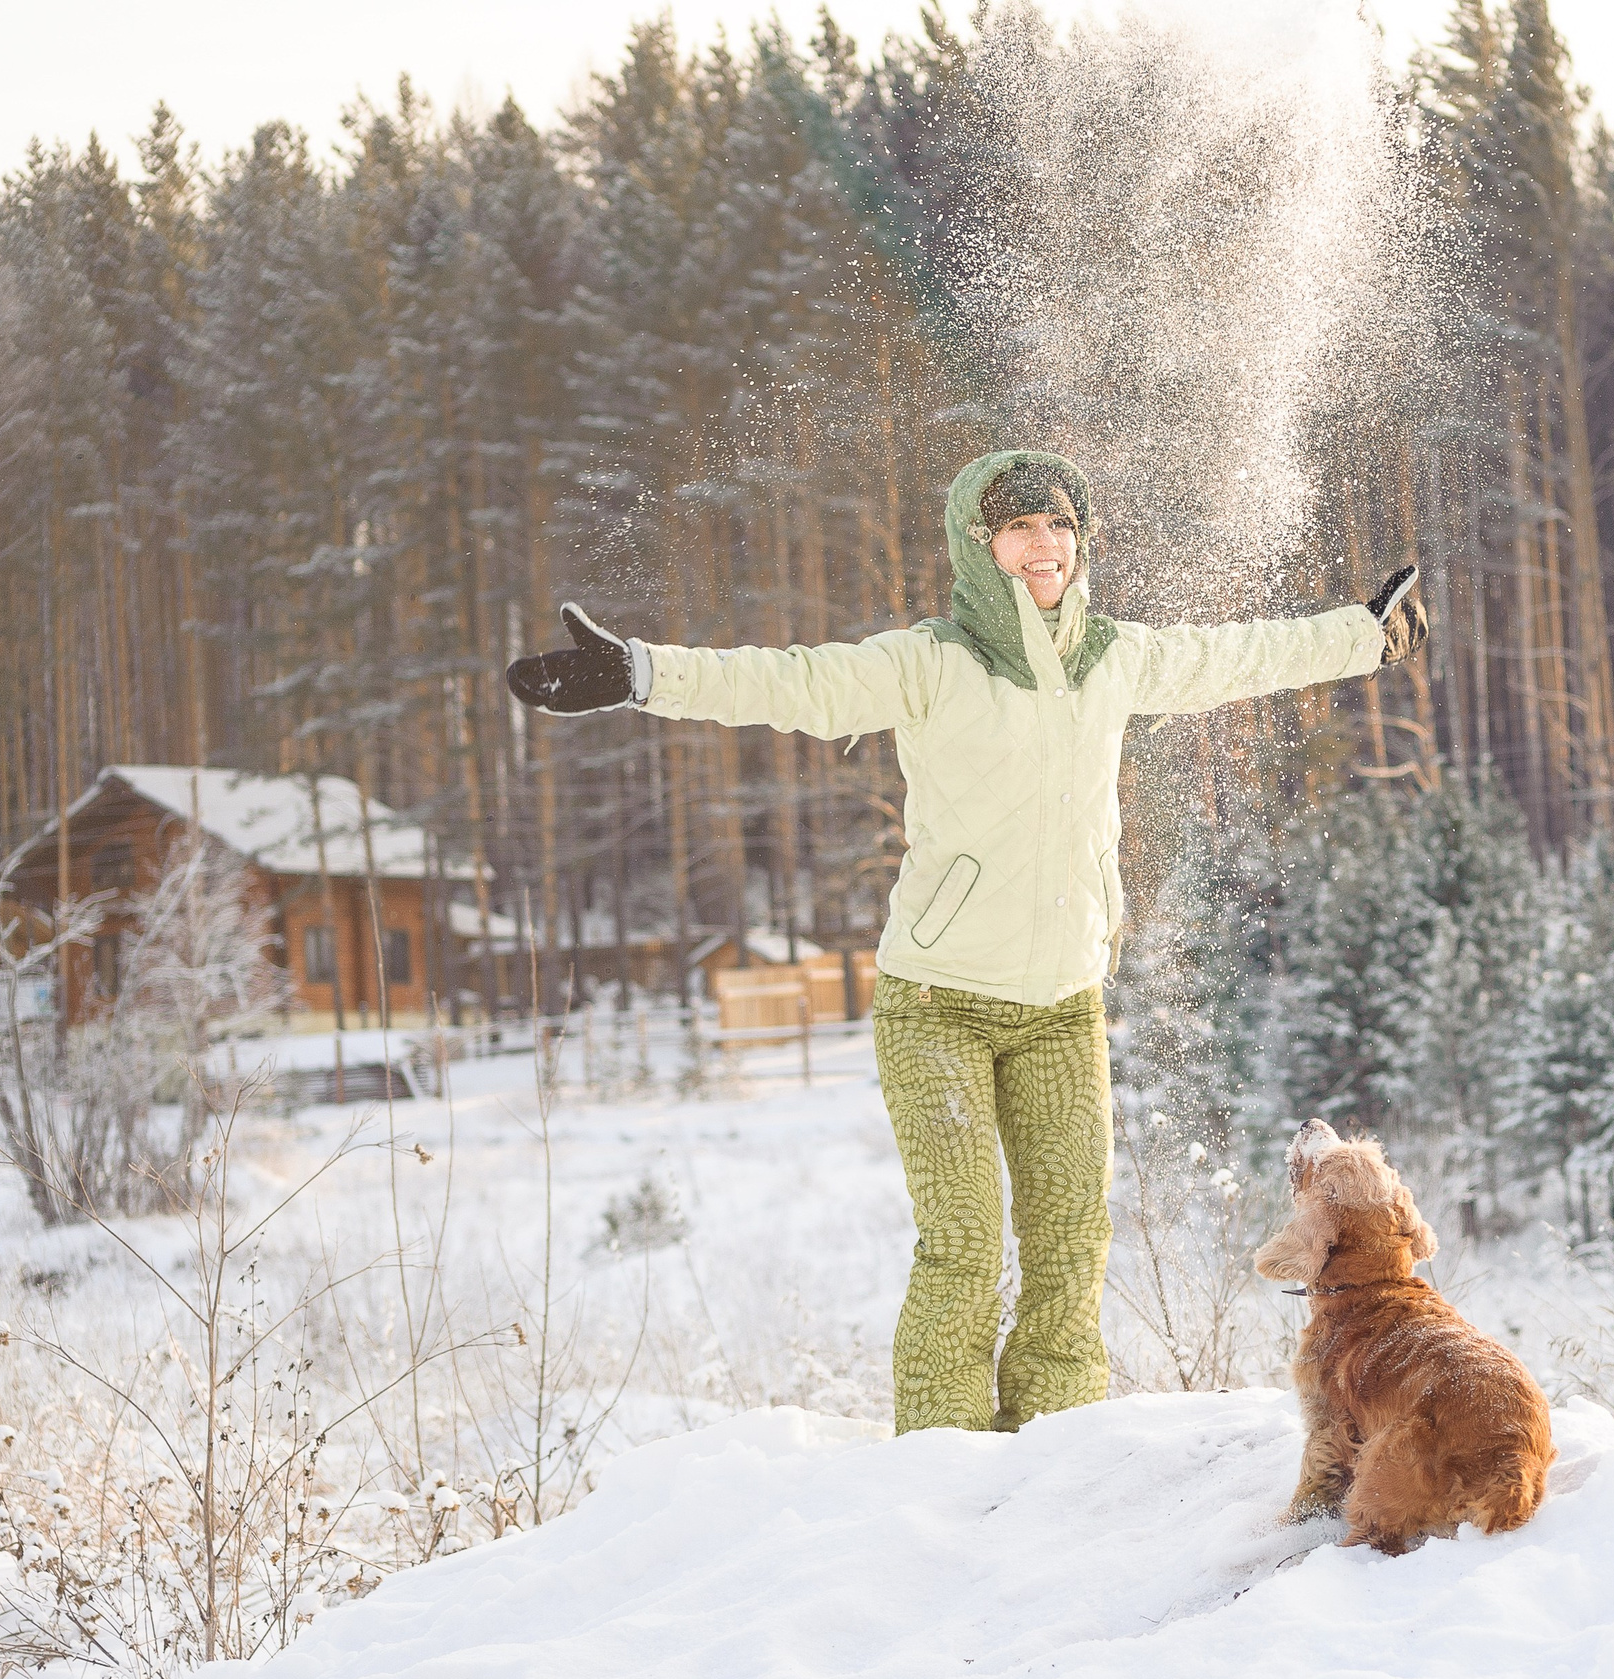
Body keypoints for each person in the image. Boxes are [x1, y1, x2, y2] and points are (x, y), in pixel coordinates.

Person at [506, 448, 1428, 1434]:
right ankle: (942, 1474)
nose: (1047, 544)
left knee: (1071, 1241)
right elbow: (791, 682)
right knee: (962, 1243)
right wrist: (641, 672)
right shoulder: (930, 660)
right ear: (978, 543)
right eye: (1023, 526)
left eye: (1062, 525)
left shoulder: (1114, 657)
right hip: (937, 1004)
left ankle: (1057, 1453)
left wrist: (1364, 637)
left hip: (1063, 1005)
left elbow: (1241, 655)